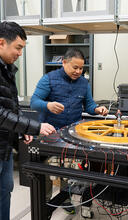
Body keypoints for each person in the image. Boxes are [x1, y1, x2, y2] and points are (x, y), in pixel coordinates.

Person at [0, 21, 56, 220]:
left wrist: (22, 131)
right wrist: (35, 127)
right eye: (18, 48)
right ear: (1, 43)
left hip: (4, 148)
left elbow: (11, 108)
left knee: (4, 191)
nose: (20, 53)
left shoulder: (6, 69)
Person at [31, 48, 108, 130]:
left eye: (81, 68)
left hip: (73, 130)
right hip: (51, 130)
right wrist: (48, 105)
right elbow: (34, 103)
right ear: (64, 63)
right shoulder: (48, 79)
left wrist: (97, 109)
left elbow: (89, 105)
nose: (78, 71)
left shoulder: (84, 83)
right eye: (75, 68)